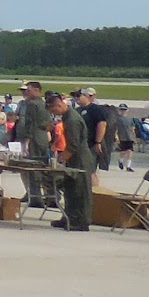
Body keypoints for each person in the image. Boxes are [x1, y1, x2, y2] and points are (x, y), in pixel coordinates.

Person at [49, 92, 95, 231]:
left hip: (80, 158)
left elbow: (73, 145)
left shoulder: (72, 120)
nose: (54, 114)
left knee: (80, 191)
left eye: (54, 110)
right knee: (70, 189)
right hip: (73, 158)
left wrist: (61, 160)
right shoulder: (67, 116)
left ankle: (82, 221)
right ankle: (68, 217)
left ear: (59, 105)